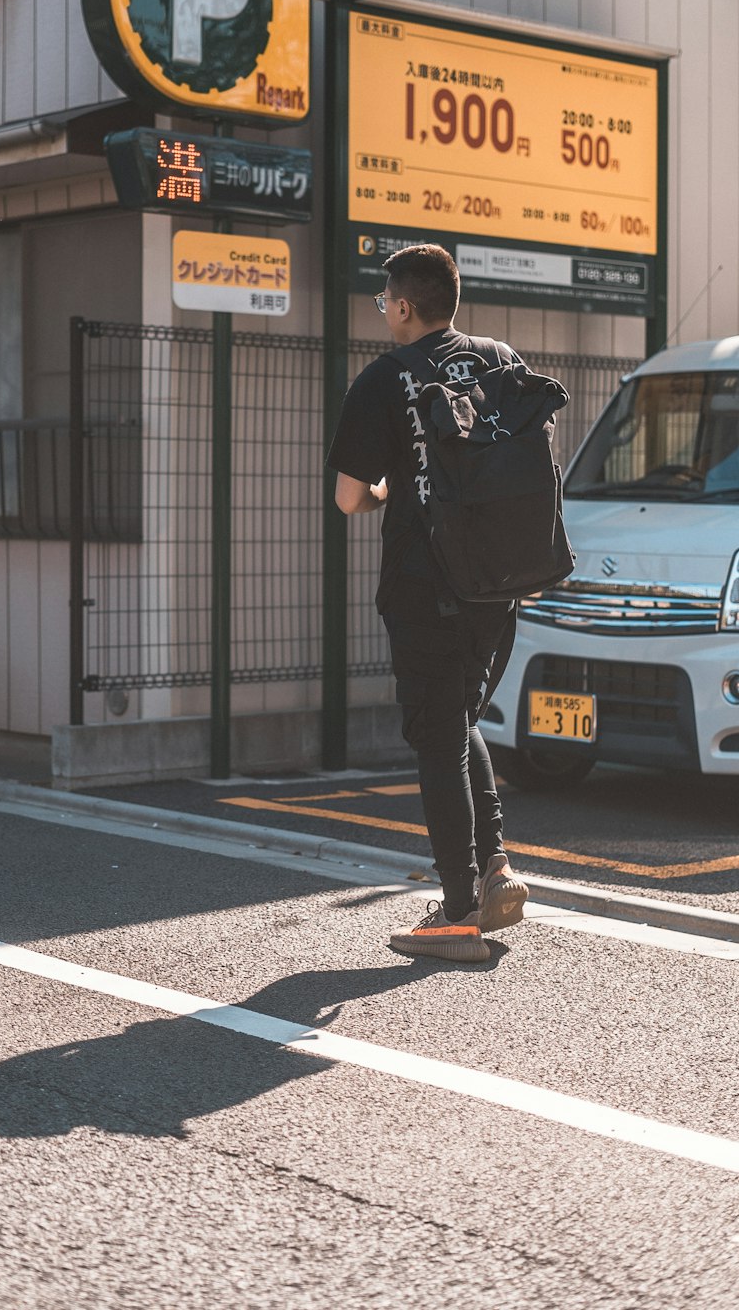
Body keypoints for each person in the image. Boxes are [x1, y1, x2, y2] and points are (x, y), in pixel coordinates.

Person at [326, 243, 529, 962]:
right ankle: (495, 864)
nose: (385, 312)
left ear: (405, 306)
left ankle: (459, 911)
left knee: (436, 735)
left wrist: (386, 489)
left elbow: (350, 495)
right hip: (498, 585)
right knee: (458, 716)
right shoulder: (500, 361)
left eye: (386, 302)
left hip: (423, 583)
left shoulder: (386, 378)